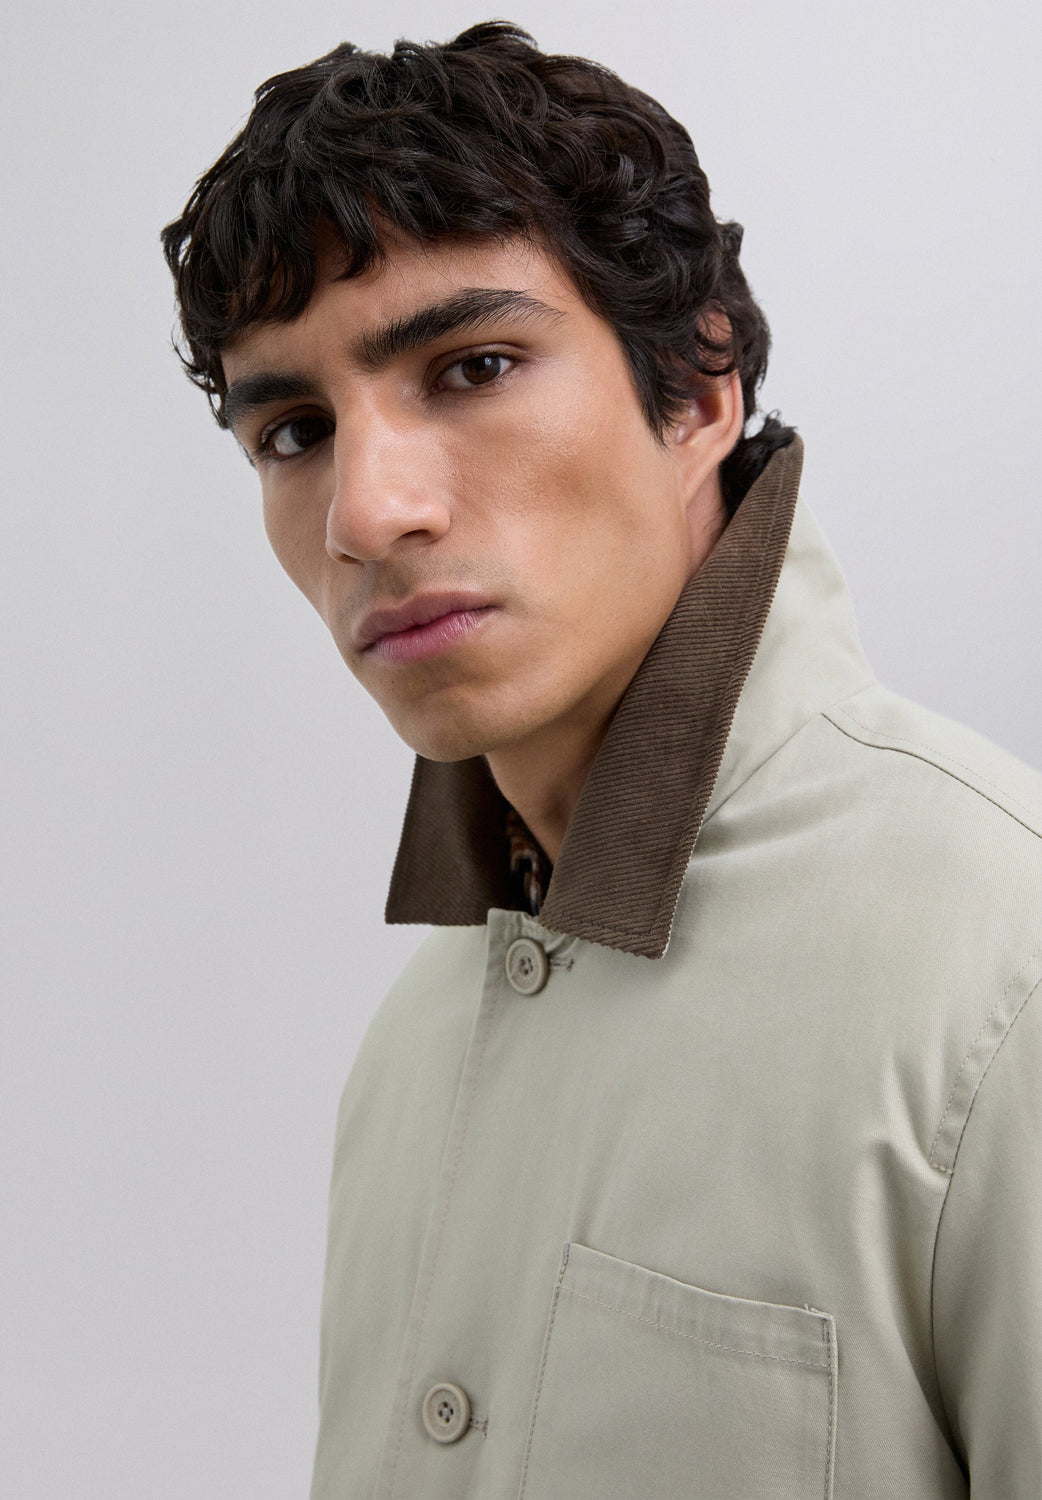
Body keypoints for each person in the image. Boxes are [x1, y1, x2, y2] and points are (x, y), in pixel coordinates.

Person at [161, 22, 1041, 1498]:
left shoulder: (1003, 980)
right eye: (296, 431)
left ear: (698, 390)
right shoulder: (415, 1048)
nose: (365, 514)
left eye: (473, 365)